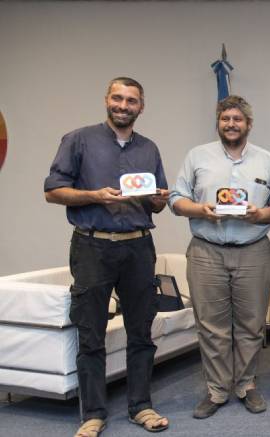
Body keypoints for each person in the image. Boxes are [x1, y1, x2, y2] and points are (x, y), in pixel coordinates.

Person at [44, 77, 170, 437]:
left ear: (140, 107)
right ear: (106, 100)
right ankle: (93, 414)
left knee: (141, 330)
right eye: (118, 98)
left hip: (138, 246)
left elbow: (155, 204)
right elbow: (53, 192)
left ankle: (140, 406)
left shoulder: (149, 148)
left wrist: (159, 200)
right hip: (92, 246)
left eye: (131, 100)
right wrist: (95, 196)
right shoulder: (79, 139)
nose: (123, 105)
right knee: (91, 333)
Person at [168, 95, 270, 419]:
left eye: (237, 119)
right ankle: (217, 390)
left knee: (251, 324)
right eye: (225, 119)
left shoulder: (267, 161)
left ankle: (246, 385)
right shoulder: (197, 157)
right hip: (206, 251)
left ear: (248, 124)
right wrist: (200, 210)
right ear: (218, 122)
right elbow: (176, 199)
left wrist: (260, 215)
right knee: (212, 326)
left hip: (253, 251)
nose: (231, 124)